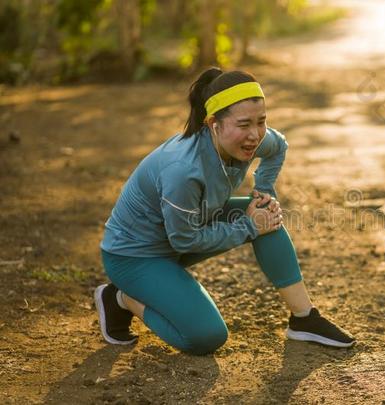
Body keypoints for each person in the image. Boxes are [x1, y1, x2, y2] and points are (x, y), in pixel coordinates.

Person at [94, 67, 355, 355]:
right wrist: (249, 226)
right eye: (244, 125)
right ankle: (121, 298)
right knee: (206, 337)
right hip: (135, 255)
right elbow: (184, 240)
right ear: (213, 124)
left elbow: (278, 146)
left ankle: (305, 319)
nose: (255, 135)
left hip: (188, 226)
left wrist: (264, 190)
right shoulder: (182, 169)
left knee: (266, 212)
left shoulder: (249, 140)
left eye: (261, 122)